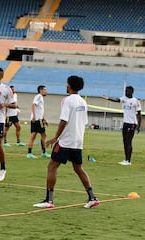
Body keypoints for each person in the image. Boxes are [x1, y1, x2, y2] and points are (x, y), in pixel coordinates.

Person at [33, 75, 100, 209]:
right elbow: (84, 121)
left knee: (52, 166)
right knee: (78, 168)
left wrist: (55, 137)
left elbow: (64, 120)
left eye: (67, 84)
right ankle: (92, 197)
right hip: (78, 141)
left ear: (69, 86)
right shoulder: (83, 102)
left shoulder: (68, 101)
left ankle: (49, 200)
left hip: (66, 141)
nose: (66, 86)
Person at [102, 86, 142, 165]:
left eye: (127, 91)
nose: (125, 92)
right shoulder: (124, 98)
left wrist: (139, 126)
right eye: (125, 91)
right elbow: (117, 100)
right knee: (124, 141)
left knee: (128, 141)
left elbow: (139, 114)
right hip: (125, 123)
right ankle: (125, 159)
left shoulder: (136, 101)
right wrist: (108, 98)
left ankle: (128, 160)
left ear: (131, 92)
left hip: (132, 124)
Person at [27, 85, 51, 159]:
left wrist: (44, 119)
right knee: (43, 135)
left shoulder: (39, 97)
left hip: (38, 119)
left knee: (34, 136)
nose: (46, 91)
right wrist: (34, 116)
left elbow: (39, 111)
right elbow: (33, 105)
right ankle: (43, 153)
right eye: (45, 90)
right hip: (37, 120)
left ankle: (30, 153)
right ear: (40, 90)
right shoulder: (39, 96)